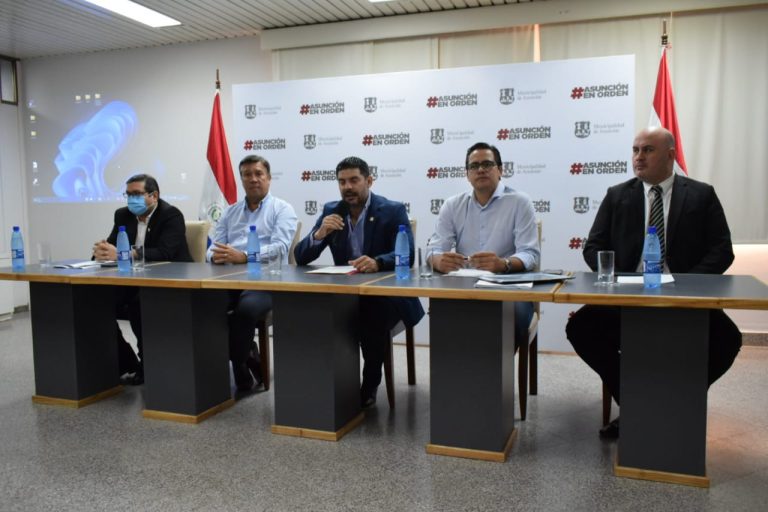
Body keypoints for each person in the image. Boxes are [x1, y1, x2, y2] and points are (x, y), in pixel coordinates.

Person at [566, 127, 742, 439]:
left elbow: (722, 250)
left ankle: (679, 400)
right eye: (635, 150)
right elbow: (593, 247)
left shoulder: (701, 195)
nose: (638, 157)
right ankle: (636, 402)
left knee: (728, 340)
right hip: (627, 298)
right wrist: (621, 279)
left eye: (647, 150)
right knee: (581, 329)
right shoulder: (617, 195)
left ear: (670, 155)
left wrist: (684, 284)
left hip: (684, 301)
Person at [293, 156, 425, 407]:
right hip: (347, 294)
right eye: (342, 182)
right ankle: (328, 383)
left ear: (369, 181)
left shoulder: (392, 210)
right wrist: (319, 234)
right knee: (319, 312)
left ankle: (370, 383)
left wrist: (378, 262)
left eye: (354, 180)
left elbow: (406, 255)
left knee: (370, 315)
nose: (348, 187)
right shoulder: (332, 211)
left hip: (386, 296)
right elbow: (300, 257)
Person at [429, 141, 540, 353]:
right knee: (443, 311)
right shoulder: (453, 205)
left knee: (511, 319)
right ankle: (458, 370)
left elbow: (530, 253)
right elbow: (433, 249)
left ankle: (495, 372)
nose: (480, 170)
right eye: (474, 166)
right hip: (464, 287)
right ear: (467, 174)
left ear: (500, 170)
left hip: (509, 289)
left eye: (487, 164)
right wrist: (438, 260)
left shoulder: (519, 202)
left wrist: (503, 264)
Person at [208, 155, 297, 392]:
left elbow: (280, 248)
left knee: (246, 310)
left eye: (258, 174)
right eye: (247, 175)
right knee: (205, 304)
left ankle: (239, 364)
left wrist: (246, 256)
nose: (253, 179)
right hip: (228, 279)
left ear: (268, 178)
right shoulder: (230, 212)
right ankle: (248, 355)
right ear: (242, 179)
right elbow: (212, 247)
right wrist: (215, 256)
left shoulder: (282, 209)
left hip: (267, 280)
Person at [93, 173, 192, 384]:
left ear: (154, 196)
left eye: (137, 194)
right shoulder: (123, 215)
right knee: (95, 302)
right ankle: (126, 362)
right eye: (128, 195)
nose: (131, 200)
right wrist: (102, 252)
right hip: (133, 281)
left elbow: (165, 252)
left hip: (170, 282)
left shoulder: (171, 215)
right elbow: (113, 244)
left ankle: (148, 364)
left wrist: (125, 253)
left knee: (138, 304)